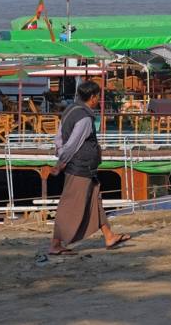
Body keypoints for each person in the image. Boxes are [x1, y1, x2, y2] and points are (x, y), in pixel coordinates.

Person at [48, 80, 131, 255]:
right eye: (98, 97)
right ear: (92, 97)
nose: (99, 100)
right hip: (80, 166)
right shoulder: (85, 118)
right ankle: (55, 244)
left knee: (95, 199)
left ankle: (109, 235)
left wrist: (61, 157)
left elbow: (59, 139)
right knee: (69, 204)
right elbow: (72, 145)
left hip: (83, 166)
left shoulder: (70, 110)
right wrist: (61, 163)